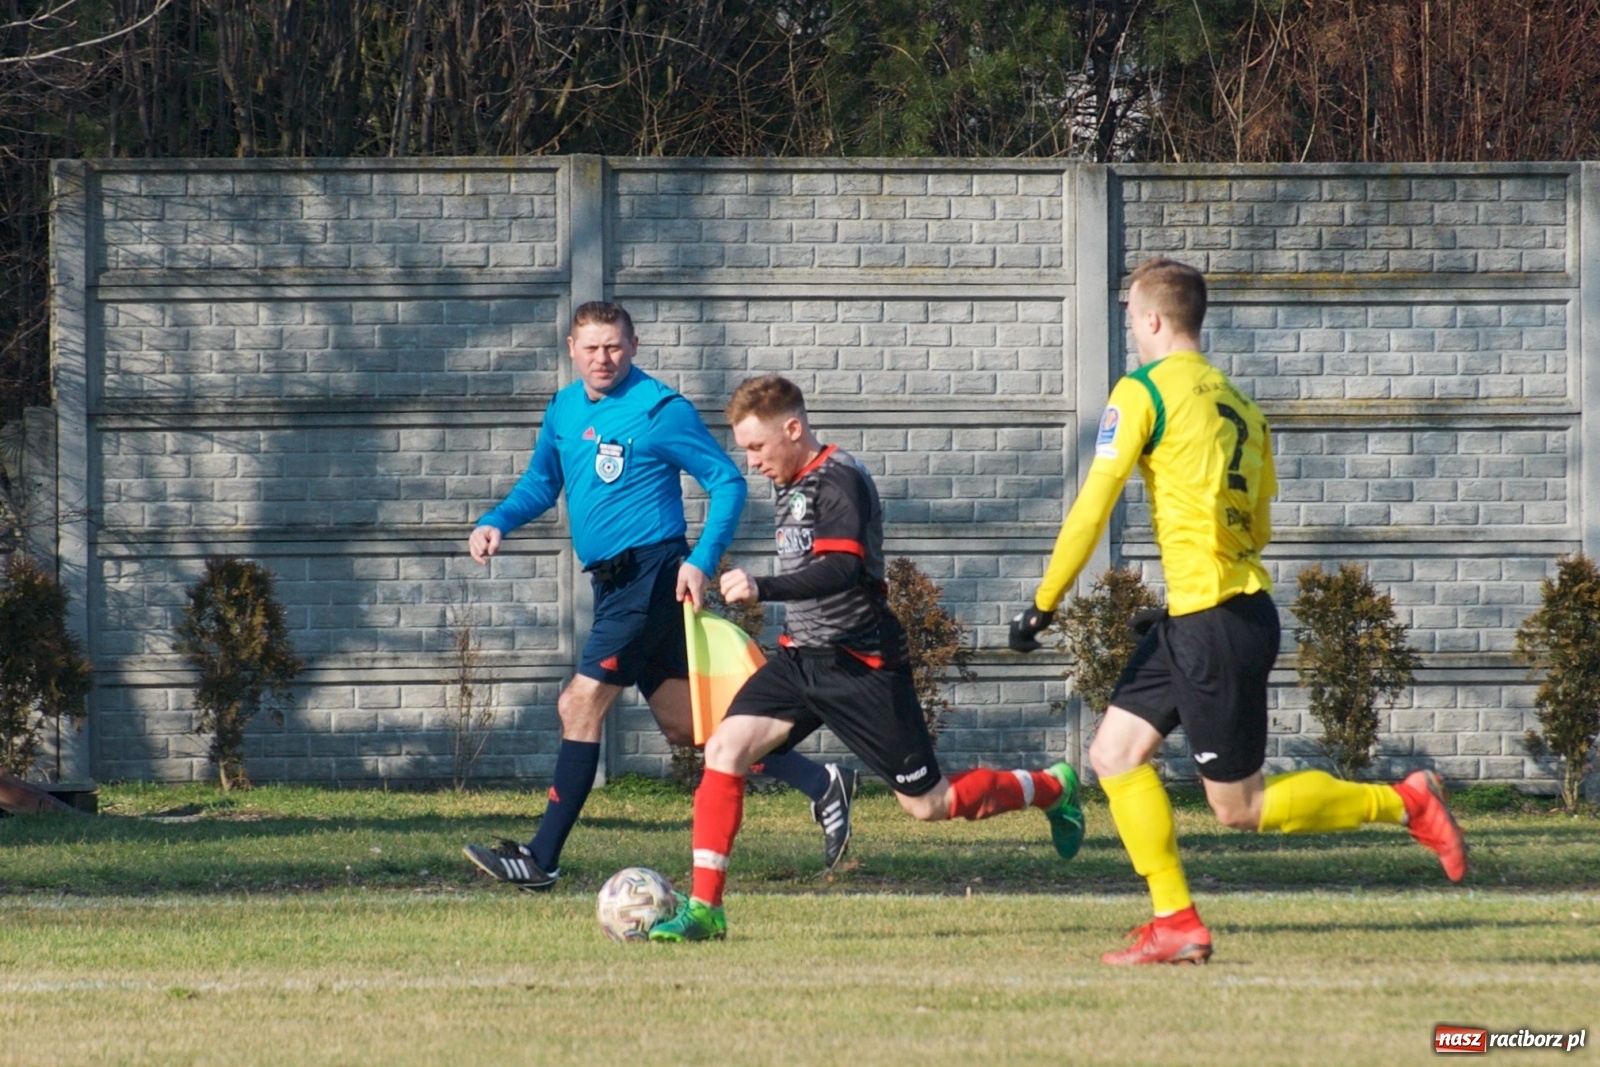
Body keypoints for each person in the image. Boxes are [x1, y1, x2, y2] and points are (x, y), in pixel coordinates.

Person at [1008, 256, 1468, 965]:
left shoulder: (1141, 391)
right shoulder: (1242, 406)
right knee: (1113, 753)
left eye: (1130, 315)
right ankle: (1175, 921)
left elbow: (1091, 508)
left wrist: (1042, 604)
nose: (1129, 327)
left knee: (1239, 808)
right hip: (1213, 612)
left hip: (1212, 622)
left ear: (1154, 320)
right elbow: (1257, 528)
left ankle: (1405, 801)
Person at [650, 374, 1085, 942]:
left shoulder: (841, 480)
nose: (752, 462)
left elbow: (844, 570)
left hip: (861, 666)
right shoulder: (791, 480)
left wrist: (763, 587)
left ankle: (1052, 788)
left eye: (757, 447)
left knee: (928, 804)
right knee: (726, 748)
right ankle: (706, 910)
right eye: (745, 451)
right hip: (800, 662)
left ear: (793, 428)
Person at [462, 302, 857, 890]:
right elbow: (543, 482)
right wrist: (498, 518)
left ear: (635, 345)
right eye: (592, 347)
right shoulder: (563, 409)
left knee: (579, 704)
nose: (603, 358)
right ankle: (820, 782)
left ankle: (541, 859)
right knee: (685, 722)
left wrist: (699, 560)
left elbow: (725, 481)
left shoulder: (659, 410)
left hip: (652, 575)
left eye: (614, 346)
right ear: (571, 348)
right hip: (613, 582)